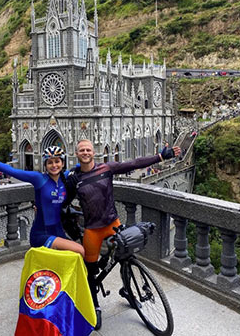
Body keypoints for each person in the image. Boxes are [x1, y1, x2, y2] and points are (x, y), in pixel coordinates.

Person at [65, 139, 181, 329]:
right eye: (81, 150)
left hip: (112, 223)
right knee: (91, 271)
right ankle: (95, 306)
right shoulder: (74, 179)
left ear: (93, 152)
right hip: (92, 230)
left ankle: (128, 290)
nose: (85, 152)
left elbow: (133, 163)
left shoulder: (106, 168)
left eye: (88, 149)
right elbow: (63, 201)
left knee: (126, 256)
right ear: (77, 154)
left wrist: (160, 156)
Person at [0, 144, 85, 257]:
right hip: (42, 233)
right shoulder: (39, 179)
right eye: (50, 162)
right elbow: (12, 171)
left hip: (58, 232)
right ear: (45, 165)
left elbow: (83, 166)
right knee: (79, 250)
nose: (54, 165)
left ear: (62, 163)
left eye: (57, 161)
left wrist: (85, 158)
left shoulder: (64, 178)